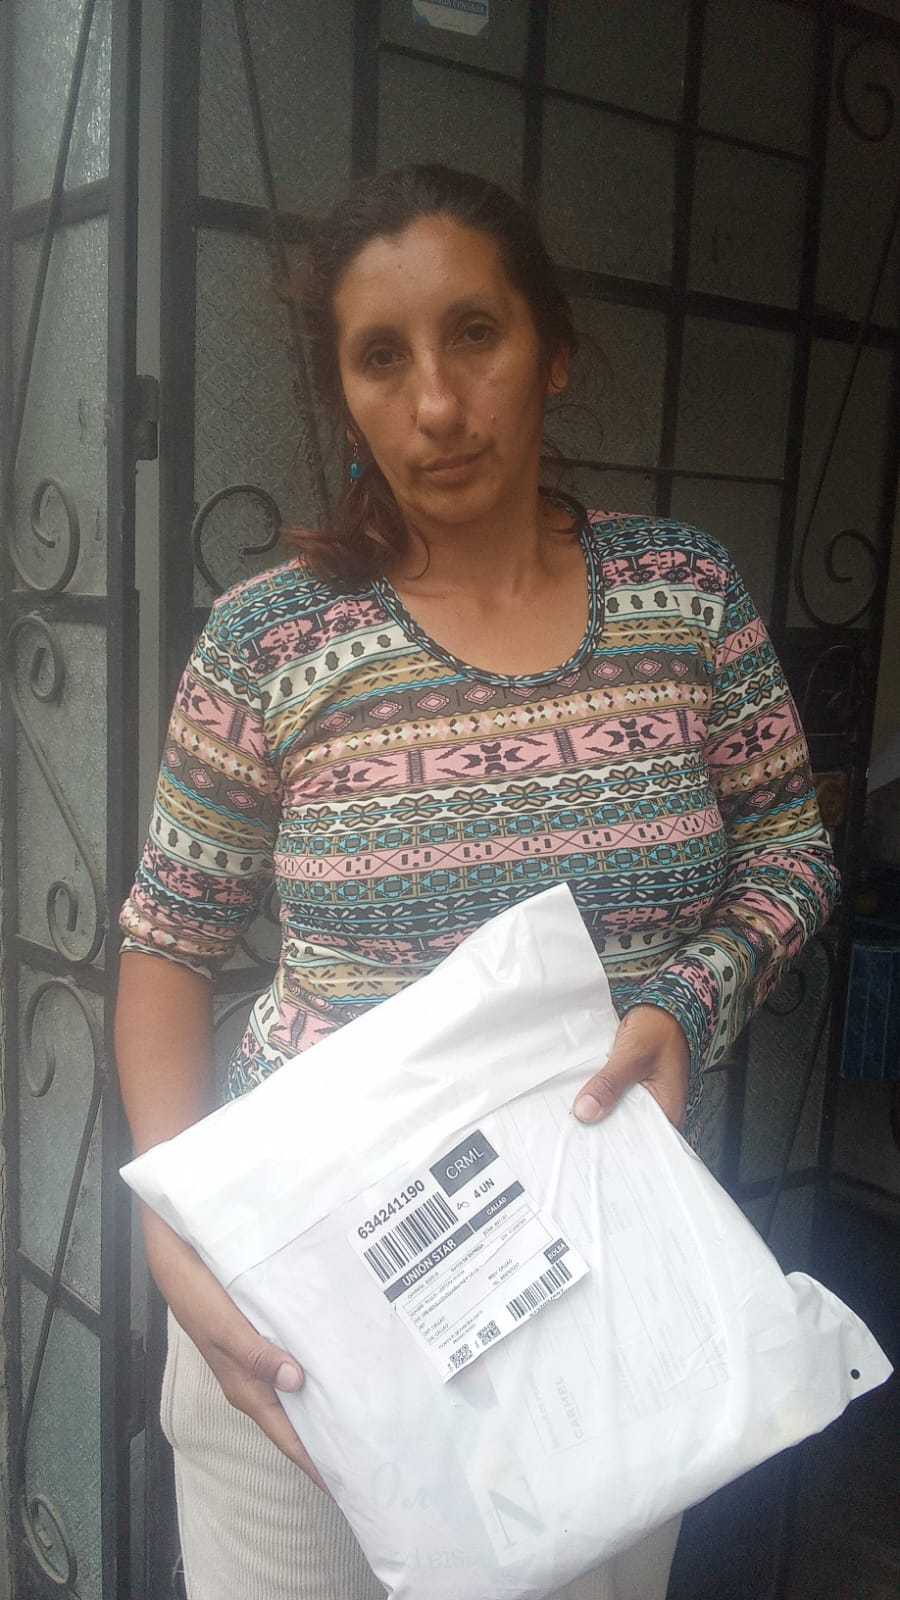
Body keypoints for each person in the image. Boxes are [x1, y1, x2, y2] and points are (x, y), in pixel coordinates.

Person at [114, 163, 840, 1600]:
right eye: (381, 358)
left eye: (475, 335)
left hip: (601, 1301)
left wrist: (687, 1002)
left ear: (552, 349)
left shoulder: (684, 599)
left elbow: (791, 847)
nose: (437, 405)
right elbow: (166, 945)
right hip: (309, 1309)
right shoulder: (271, 645)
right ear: (344, 394)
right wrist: (171, 1223)